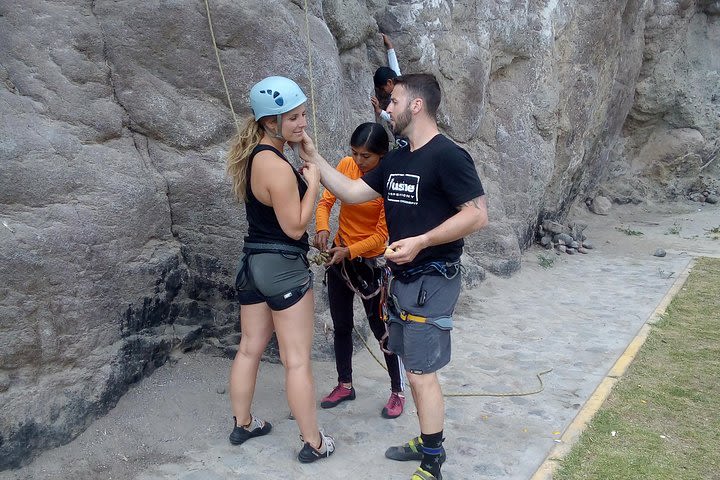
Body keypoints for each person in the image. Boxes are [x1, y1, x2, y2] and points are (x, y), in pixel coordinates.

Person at [300, 73, 488, 480]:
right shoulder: (399, 158)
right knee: (413, 367)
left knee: (421, 373)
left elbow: (476, 214)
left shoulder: (448, 156)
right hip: (402, 281)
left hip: (432, 278)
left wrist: (421, 240)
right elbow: (350, 193)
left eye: (395, 101)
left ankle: (433, 461)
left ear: (416, 105)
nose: (388, 108)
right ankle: (427, 438)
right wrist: (314, 158)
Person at [226, 75, 335, 463]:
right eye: (293, 118)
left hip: (253, 265)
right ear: (270, 123)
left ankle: (243, 423)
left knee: (249, 349)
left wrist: (303, 155)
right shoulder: (273, 164)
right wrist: (315, 185)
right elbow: (295, 226)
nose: (302, 123)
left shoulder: (257, 155)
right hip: (283, 267)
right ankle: (314, 442)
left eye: (304, 115)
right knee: (297, 359)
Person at [313, 122, 406, 419]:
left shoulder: (387, 181)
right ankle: (345, 384)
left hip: (370, 266)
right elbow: (326, 201)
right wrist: (323, 228)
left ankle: (397, 391)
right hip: (341, 258)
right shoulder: (345, 165)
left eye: (365, 156)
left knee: (382, 330)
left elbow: (382, 235)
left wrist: (349, 251)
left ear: (382, 156)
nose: (358, 160)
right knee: (341, 325)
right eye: (355, 153)